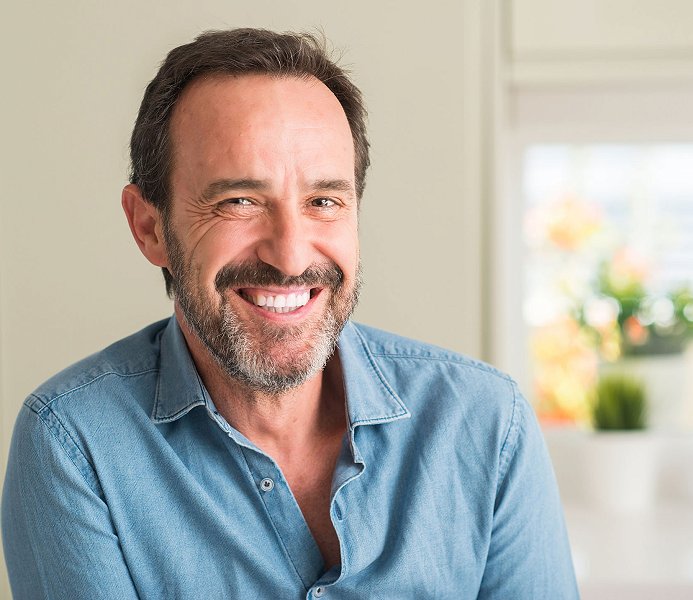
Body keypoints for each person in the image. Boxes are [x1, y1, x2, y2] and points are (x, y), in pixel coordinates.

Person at [2, 28, 577, 599]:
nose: (291, 255)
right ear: (149, 227)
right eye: (239, 202)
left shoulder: (486, 424)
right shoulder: (74, 445)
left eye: (323, 201)